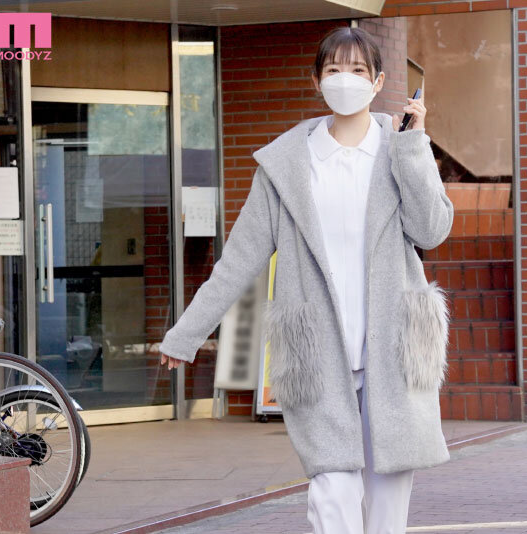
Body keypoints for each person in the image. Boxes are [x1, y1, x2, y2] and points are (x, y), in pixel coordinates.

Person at [159, 25, 454, 534]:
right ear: (316, 80)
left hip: (395, 345)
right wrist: (186, 334)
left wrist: (413, 146)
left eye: (358, 70)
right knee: (332, 490)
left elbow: (432, 230)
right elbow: (237, 261)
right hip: (316, 348)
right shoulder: (285, 165)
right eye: (334, 69)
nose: (345, 79)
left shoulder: (399, 148)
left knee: (388, 500)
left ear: (379, 81)